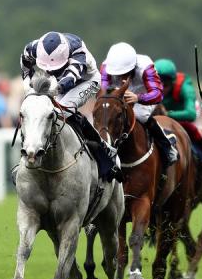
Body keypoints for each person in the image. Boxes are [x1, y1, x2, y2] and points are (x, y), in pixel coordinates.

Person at [20, 32, 118, 181]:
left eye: (54, 67)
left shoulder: (78, 52)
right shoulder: (33, 48)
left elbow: (69, 80)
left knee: (63, 112)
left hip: (85, 81)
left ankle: (103, 151)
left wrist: (51, 90)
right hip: (57, 81)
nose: (50, 70)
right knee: (39, 111)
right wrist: (29, 88)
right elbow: (26, 67)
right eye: (48, 67)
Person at [101, 42, 178, 170]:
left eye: (124, 73)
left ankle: (167, 145)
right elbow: (103, 92)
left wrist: (138, 98)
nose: (120, 77)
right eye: (118, 73)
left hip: (142, 92)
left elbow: (158, 94)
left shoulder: (145, 67)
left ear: (132, 67)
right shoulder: (106, 66)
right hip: (118, 93)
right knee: (107, 114)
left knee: (140, 116)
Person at [153, 58, 202, 169]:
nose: (162, 89)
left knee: (189, 127)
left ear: (172, 83)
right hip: (161, 116)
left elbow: (191, 115)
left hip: (184, 116)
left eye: (165, 85)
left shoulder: (185, 87)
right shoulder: (148, 84)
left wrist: (167, 115)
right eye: (159, 85)